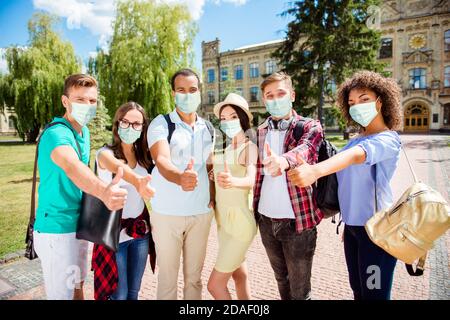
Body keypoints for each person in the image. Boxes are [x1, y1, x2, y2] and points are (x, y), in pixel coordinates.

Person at [288, 70, 403, 300]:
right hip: (353, 229)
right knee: (359, 291)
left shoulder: (387, 139)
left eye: (364, 99)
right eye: (351, 102)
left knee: (375, 295)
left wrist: (315, 171)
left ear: (380, 102)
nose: (357, 106)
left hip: (376, 232)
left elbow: (355, 157)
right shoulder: (355, 139)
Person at [32, 74, 129, 300]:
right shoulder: (56, 134)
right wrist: (104, 191)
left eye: (92, 101)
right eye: (80, 99)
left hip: (79, 226)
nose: (87, 105)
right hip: (57, 230)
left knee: (78, 288)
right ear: (65, 101)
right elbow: (72, 166)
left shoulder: (82, 132)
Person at [253, 71, 324, 300]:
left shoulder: (309, 126)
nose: (275, 99)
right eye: (269, 95)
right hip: (266, 220)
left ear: (292, 95)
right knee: (281, 280)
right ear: (264, 100)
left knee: (300, 290)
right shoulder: (261, 131)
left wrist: (283, 161)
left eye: (280, 93)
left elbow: (306, 149)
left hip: (298, 223)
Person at [147, 68, 215, 300]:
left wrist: (214, 196)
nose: (187, 95)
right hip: (168, 214)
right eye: (181, 90)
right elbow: (162, 160)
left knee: (194, 280)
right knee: (167, 280)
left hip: (201, 214)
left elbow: (208, 166)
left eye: (193, 90)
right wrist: (180, 177)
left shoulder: (208, 127)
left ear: (200, 92)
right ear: (173, 93)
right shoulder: (161, 124)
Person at [92, 101, 156, 300]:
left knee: (133, 292)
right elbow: (119, 169)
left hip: (140, 233)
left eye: (137, 124)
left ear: (143, 127)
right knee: (118, 295)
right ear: (118, 124)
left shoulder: (145, 157)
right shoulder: (105, 154)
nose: (130, 127)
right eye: (126, 122)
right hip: (114, 236)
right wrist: (137, 181)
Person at [207, 93, 258, 300]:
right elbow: (219, 174)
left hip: (239, 223)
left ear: (243, 119)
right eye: (224, 118)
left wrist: (233, 182)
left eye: (233, 117)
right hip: (223, 222)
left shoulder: (249, 147)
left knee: (214, 285)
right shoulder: (224, 149)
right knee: (239, 275)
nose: (228, 122)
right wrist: (214, 177)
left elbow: (251, 179)